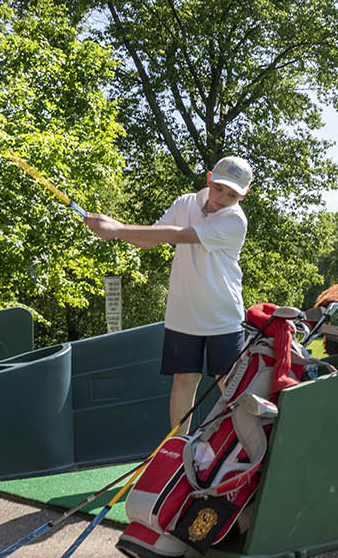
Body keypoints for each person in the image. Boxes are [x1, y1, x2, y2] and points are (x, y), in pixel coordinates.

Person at [85, 156, 253, 435]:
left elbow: (179, 235)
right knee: (183, 380)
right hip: (182, 315)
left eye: (233, 194)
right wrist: (114, 231)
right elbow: (150, 238)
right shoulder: (185, 203)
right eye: (219, 188)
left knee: (229, 384)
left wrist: (116, 228)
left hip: (222, 317)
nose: (223, 198)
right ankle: (176, 448)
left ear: (243, 195)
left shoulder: (235, 221)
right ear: (209, 178)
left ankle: (244, 445)